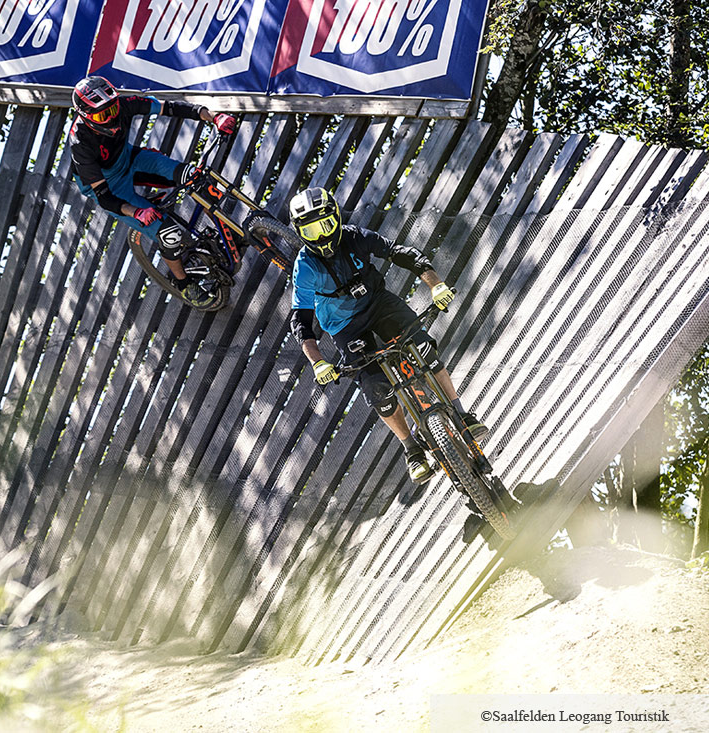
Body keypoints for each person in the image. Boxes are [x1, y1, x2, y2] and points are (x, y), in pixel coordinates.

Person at [287, 187, 488, 483]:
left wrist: (436, 285)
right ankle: (412, 450)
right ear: (299, 232)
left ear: (337, 218)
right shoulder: (304, 266)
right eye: (310, 230)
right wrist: (317, 362)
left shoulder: (355, 236)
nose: (320, 237)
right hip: (344, 326)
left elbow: (400, 254)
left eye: (325, 226)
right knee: (375, 388)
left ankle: (462, 415)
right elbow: (301, 319)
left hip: (379, 304)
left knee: (425, 349)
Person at [70, 75, 237, 307]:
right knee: (170, 235)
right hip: (110, 187)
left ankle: (225, 231)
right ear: (86, 117)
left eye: (113, 108)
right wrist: (135, 212)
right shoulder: (80, 143)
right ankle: (183, 284)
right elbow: (104, 198)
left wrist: (213, 116)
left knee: (193, 176)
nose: (112, 117)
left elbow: (170, 108)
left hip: (130, 159)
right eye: (102, 115)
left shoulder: (123, 106)